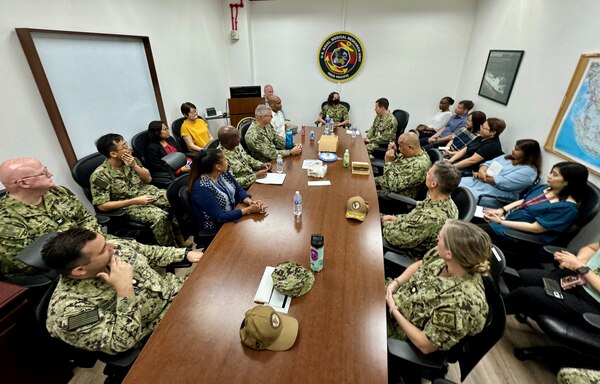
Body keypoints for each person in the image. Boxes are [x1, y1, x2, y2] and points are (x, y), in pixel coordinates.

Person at [43, 228, 203, 355]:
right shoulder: (69, 312)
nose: (113, 246)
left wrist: (185, 254)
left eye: (105, 242)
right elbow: (119, 342)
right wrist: (124, 291)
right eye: (103, 250)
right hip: (158, 330)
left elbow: (149, 252)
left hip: (177, 290)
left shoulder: (111, 246)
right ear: (79, 270)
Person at [385, 220, 490, 355]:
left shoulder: (461, 303)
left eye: (440, 238)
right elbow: (419, 265)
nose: (436, 239)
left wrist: (393, 308)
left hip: (399, 332)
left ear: (449, 253)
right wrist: (395, 284)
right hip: (396, 298)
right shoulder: (443, 257)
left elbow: (424, 344)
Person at [0, 158, 103, 277]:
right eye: (43, 173)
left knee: (126, 253)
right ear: (24, 183)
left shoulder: (58, 192)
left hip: (92, 247)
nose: (50, 174)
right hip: (60, 270)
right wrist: (82, 254)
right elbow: (22, 264)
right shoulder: (5, 219)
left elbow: (85, 218)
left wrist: (95, 243)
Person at [480, 162, 588, 267]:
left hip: (521, 235)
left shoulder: (567, 208)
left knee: (475, 236)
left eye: (554, 175)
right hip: (507, 221)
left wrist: (501, 222)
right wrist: (502, 210)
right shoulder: (544, 188)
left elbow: (536, 228)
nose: (549, 176)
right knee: (474, 231)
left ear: (568, 182)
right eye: (551, 172)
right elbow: (525, 201)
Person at [90, 133, 178, 246]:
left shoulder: (131, 160)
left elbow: (148, 179)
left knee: (172, 198)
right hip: (128, 204)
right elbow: (102, 205)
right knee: (159, 216)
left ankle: (179, 236)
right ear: (113, 153)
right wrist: (135, 201)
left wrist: (134, 166)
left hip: (146, 192)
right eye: (124, 147)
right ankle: (169, 248)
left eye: (126, 144)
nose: (129, 148)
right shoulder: (100, 175)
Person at [505, 241, 600, 329]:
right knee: (521, 276)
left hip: (592, 301)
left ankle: (492, 316)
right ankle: (516, 309)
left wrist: (581, 268)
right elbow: (592, 248)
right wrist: (578, 261)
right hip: (576, 277)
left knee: (526, 294)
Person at [381, 160, 460, 260]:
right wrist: (396, 219)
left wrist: (385, 221)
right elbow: (415, 217)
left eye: (428, 173)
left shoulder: (430, 216)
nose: (426, 174)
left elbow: (396, 238)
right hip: (409, 231)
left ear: (433, 184)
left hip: (409, 254)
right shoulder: (449, 203)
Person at [189, 149, 267, 230]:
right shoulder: (202, 188)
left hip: (232, 214)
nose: (227, 162)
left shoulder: (223, 174)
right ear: (218, 167)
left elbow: (238, 190)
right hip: (216, 227)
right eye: (225, 160)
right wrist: (249, 210)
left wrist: (249, 202)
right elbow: (219, 216)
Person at [459, 139, 542, 207]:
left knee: (462, 196)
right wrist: (481, 171)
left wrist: (480, 176)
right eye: (514, 147)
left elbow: (502, 182)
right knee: (455, 183)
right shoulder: (508, 158)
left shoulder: (528, 171)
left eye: (517, 149)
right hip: (481, 182)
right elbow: (487, 164)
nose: (513, 150)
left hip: (496, 192)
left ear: (527, 154)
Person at [374, 132, 431, 199]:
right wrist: (394, 153)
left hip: (395, 195)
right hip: (388, 182)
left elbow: (394, 186)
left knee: (364, 191)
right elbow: (401, 166)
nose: (399, 149)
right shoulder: (414, 154)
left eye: (400, 146)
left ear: (410, 147)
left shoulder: (418, 165)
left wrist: (388, 163)